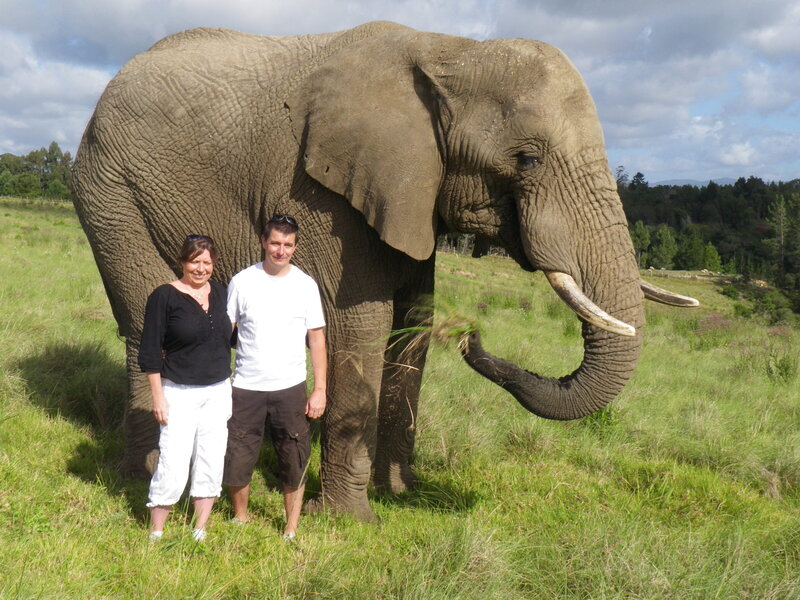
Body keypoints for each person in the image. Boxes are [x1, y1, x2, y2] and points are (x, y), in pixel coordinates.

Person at [223, 214, 327, 540]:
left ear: (295, 247)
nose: (280, 250)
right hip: (245, 385)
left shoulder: (306, 285)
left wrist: (319, 389)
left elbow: (317, 339)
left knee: (294, 457)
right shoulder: (241, 282)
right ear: (263, 242)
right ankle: (241, 518)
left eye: (287, 244)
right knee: (238, 455)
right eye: (275, 243)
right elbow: (225, 332)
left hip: (290, 387)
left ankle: (291, 528)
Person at [138, 234, 233, 542]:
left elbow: (229, 336)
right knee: (173, 459)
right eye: (195, 261)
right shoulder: (164, 296)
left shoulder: (221, 293)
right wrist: (158, 396)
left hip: (218, 390)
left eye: (206, 262)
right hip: (177, 391)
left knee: (211, 456)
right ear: (182, 262)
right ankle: (157, 530)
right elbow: (150, 350)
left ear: (213, 264)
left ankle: (200, 528)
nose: (201, 268)